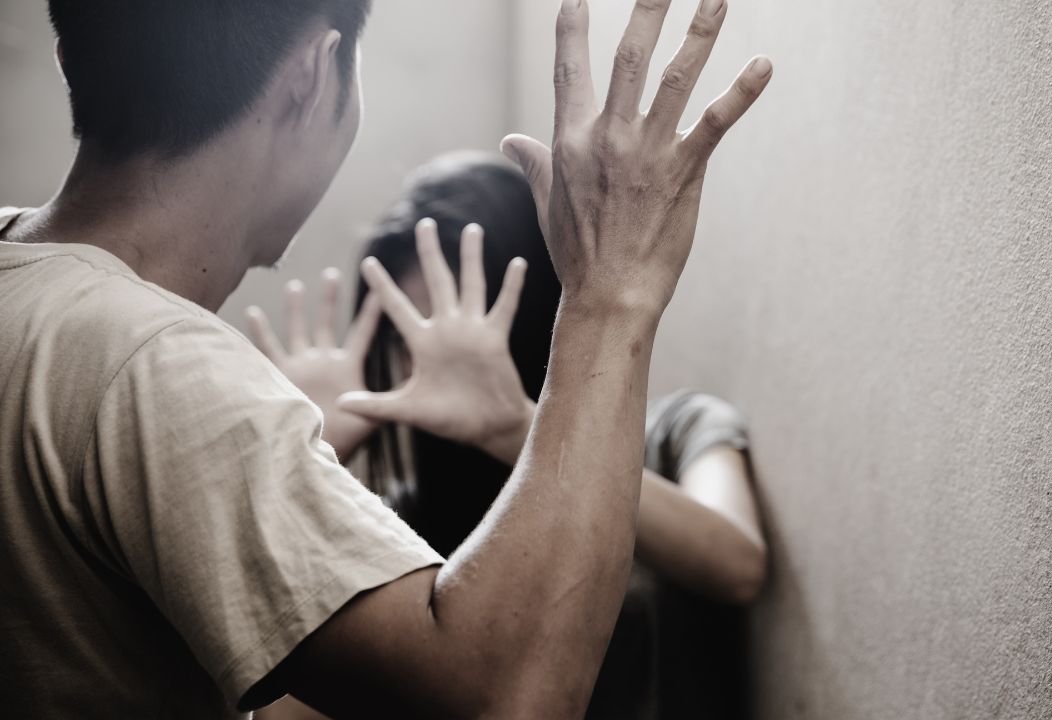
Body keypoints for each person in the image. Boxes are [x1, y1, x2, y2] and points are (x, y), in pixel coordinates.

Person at [0, 0, 773, 717]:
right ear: (314, 72)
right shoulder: (158, 368)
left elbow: (736, 562)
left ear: (73, 62)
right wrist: (610, 294)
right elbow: (507, 699)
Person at [247, 152, 767, 720]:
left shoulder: (674, 433)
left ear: (535, 307)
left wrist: (518, 428)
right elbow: (282, 712)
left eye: (455, 326)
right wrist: (309, 468)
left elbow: (737, 565)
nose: (426, 361)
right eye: (405, 334)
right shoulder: (402, 521)